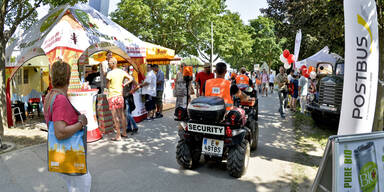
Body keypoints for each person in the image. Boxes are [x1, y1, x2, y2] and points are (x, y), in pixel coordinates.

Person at [43, 61, 91, 192]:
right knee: (84, 181)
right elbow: (60, 132)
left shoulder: (50, 95)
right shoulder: (60, 99)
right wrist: (81, 123)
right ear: (68, 77)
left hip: (60, 152)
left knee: (73, 186)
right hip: (69, 153)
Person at [106, 57, 130, 141]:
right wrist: (124, 84)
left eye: (109, 63)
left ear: (113, 63)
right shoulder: (121, 71)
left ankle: (118, 135)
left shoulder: (110, 73)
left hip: (112, 96)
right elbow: (131, 79)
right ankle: (124, 133)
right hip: (120, 96)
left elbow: (107, 86)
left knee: (115, 116)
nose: (108, 64)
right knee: (122, 115)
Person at [123, 69, 139, 135]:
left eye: (124, 70)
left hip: (128, 97)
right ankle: (129, 127)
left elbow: (137, 86)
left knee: (127, 113)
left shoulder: (130, 78)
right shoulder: (122, 78)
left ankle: (135, 127)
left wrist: (131, 91)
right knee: (127, 113)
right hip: (124, 97)